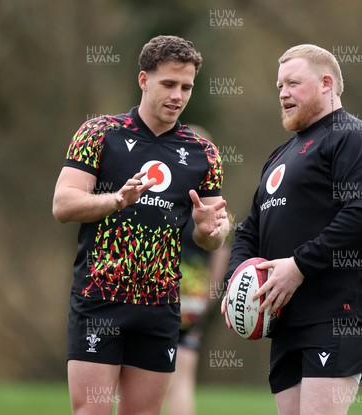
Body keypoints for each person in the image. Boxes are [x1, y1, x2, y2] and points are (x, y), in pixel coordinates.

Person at [52, 35, 229, 415]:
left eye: (186, 87)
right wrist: (115, 200)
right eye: (168, 84)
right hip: (100, 299)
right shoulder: (99, 133)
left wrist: (206, 229)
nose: (178, 96)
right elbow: (63, 204)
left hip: (162, 306)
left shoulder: (204, 153)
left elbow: (214, 237)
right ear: (144, 80)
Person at [222, 44, 362, 415]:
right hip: (286, 318)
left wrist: (298, 266)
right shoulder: (280, 154)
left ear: (327, 83)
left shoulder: (355, 137)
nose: (282, 93)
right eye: (279, 85)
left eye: (293, 83)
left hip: (338, 311)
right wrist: (237, 277)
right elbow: (251, 229)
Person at [164, 217, 229, 415]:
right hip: (194, 300)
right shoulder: (216, 212)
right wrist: (207, 301)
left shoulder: (168, 201)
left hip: (161, 294)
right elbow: (221, 255)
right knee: (182, 382)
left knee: (145, 373)